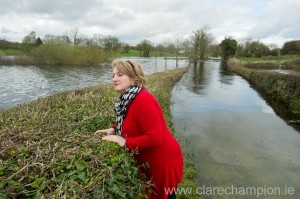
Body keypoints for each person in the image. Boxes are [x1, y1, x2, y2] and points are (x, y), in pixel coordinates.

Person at [95, 59, 183, 199]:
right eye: (113, 75)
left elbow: (155, 137)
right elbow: (130, 119)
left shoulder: (143, 99)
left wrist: (124, 142)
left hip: (163, 162)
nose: (114, 79)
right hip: (152, 161)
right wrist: (113, 128)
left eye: (120, 75)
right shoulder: (129, 98)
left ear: (133, 78)